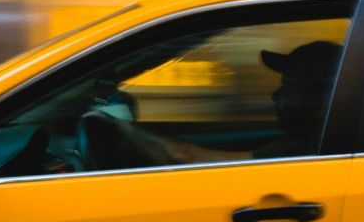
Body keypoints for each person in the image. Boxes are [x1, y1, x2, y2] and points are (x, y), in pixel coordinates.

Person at [82, 40, 342, 168]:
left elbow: (188, 158)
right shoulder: (310, 141)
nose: (275, 95)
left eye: (287, 86)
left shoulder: (307, 147)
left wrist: (123, 127)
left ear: (318, 95)